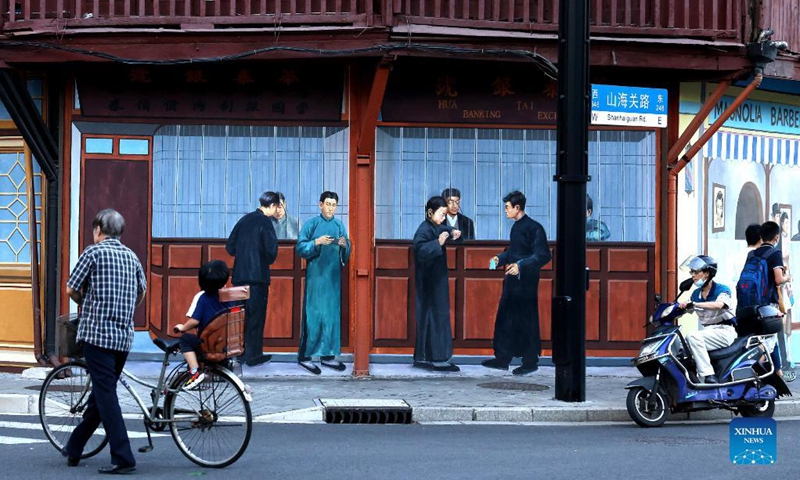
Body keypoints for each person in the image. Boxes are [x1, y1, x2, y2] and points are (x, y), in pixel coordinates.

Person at [63, 209, 146, 474]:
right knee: (101, 394)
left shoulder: (93, 253)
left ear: (99, 228)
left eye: (94, 229)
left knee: (106, 395)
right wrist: (125, 309)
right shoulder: (131, 257)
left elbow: (71, 288)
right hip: (123, 337)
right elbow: (141, 291)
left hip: (97, 336)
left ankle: (123, 456)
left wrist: (84, 303)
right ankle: (75, 447)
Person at [482, 191, 551, 375]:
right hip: (512, 282)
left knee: (526, 321)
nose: (505, 211)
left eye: (507, 207)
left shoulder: (534, 228)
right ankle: (502, 358)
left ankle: (529, 362)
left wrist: (520, 265)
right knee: (506, 319)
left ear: (517, 208)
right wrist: (500, 258)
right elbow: (515, 252)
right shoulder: (516, 227)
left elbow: (543, 255)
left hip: (526, 283)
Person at [296, 191, 351, 374]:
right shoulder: (312, 224)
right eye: (327, 204)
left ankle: (327, 357)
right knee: (313, 316)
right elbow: (300, 247)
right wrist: (316, 242)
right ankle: (306, 356)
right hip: (316, 278)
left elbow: (347, 249)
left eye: (334, 205)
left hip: (333, 278)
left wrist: (345, 245)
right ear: (320, 204)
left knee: (331, 318)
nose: (330, 208)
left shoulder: (339, 225)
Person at [226, 191, 279, 367]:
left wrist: (243, 253)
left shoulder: (244, 220)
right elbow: (271, 253)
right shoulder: (266, 222)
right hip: (258, 278)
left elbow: (230, 246)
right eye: (276, 207)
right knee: (256, 317)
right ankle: (253, 355)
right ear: (271, 206)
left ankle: (239, 354)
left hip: (239, 276)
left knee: (239, 316)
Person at [412, 196, 462, 372]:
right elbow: (419, 249)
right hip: (428, 282)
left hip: (435, 280)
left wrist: (452, 231)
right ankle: (437, 358)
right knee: (435, 317)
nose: (443, 218)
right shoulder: (423, 230)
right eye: (441, 214)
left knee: (435, 317)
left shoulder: (434, 226)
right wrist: (438, 243)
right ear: (430, 212)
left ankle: (427, 358)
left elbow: (442, 227)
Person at [741, 221, 793, 381]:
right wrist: (787, 277)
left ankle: (777, 373)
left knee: (761, 338)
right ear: (776, 237)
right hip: (768, 305)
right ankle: (749, 369)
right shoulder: (774, 253)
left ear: (761, 236)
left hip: (750, 304)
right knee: (769, 341)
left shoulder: (752, 254)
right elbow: (778, 279)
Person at [174, 260, 233, 389]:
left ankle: (194, 371)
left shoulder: (203, 298)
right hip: (224, 344)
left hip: (207, 344)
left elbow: (195, 321)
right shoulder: (229, 297)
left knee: (185, 340)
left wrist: (182, 328)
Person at [678, 255, 737, 384]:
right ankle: (690, 380)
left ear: (707, 273)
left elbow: (719, 305)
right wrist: (673, 310)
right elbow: (684, 311)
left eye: (695, 272)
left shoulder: (723, 290)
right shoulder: (696, 294)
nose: (692, 275)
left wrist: (694, 304)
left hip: (724, 331)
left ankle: (709, 376)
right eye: (691, 272)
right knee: (679, 345)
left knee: (693, 336)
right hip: (708, 332)